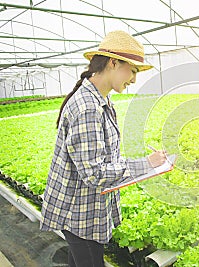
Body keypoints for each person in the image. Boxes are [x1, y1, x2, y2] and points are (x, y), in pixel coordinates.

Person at [40, 30, 167, 267]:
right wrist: (147, 164)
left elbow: (104, 158)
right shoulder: (88, 107)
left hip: (87, 210)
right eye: (133, 71)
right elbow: (95, 173)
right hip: (79, 214)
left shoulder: (102, 101)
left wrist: (147, 163)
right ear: (113, 63)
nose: (133, 79)